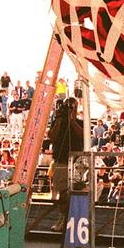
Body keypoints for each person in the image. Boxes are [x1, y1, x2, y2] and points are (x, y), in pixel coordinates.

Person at [47, 97, 84, 232]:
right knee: (62, 192)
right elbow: (52, 136)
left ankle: (76, 221)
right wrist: (58, 120)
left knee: (77, 192)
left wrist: (72, 121)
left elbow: (83, 135)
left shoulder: (80, 122)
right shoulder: (58, 122)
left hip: (76, 162)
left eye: (72, 107)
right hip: (61, 160)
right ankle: (63, 218)